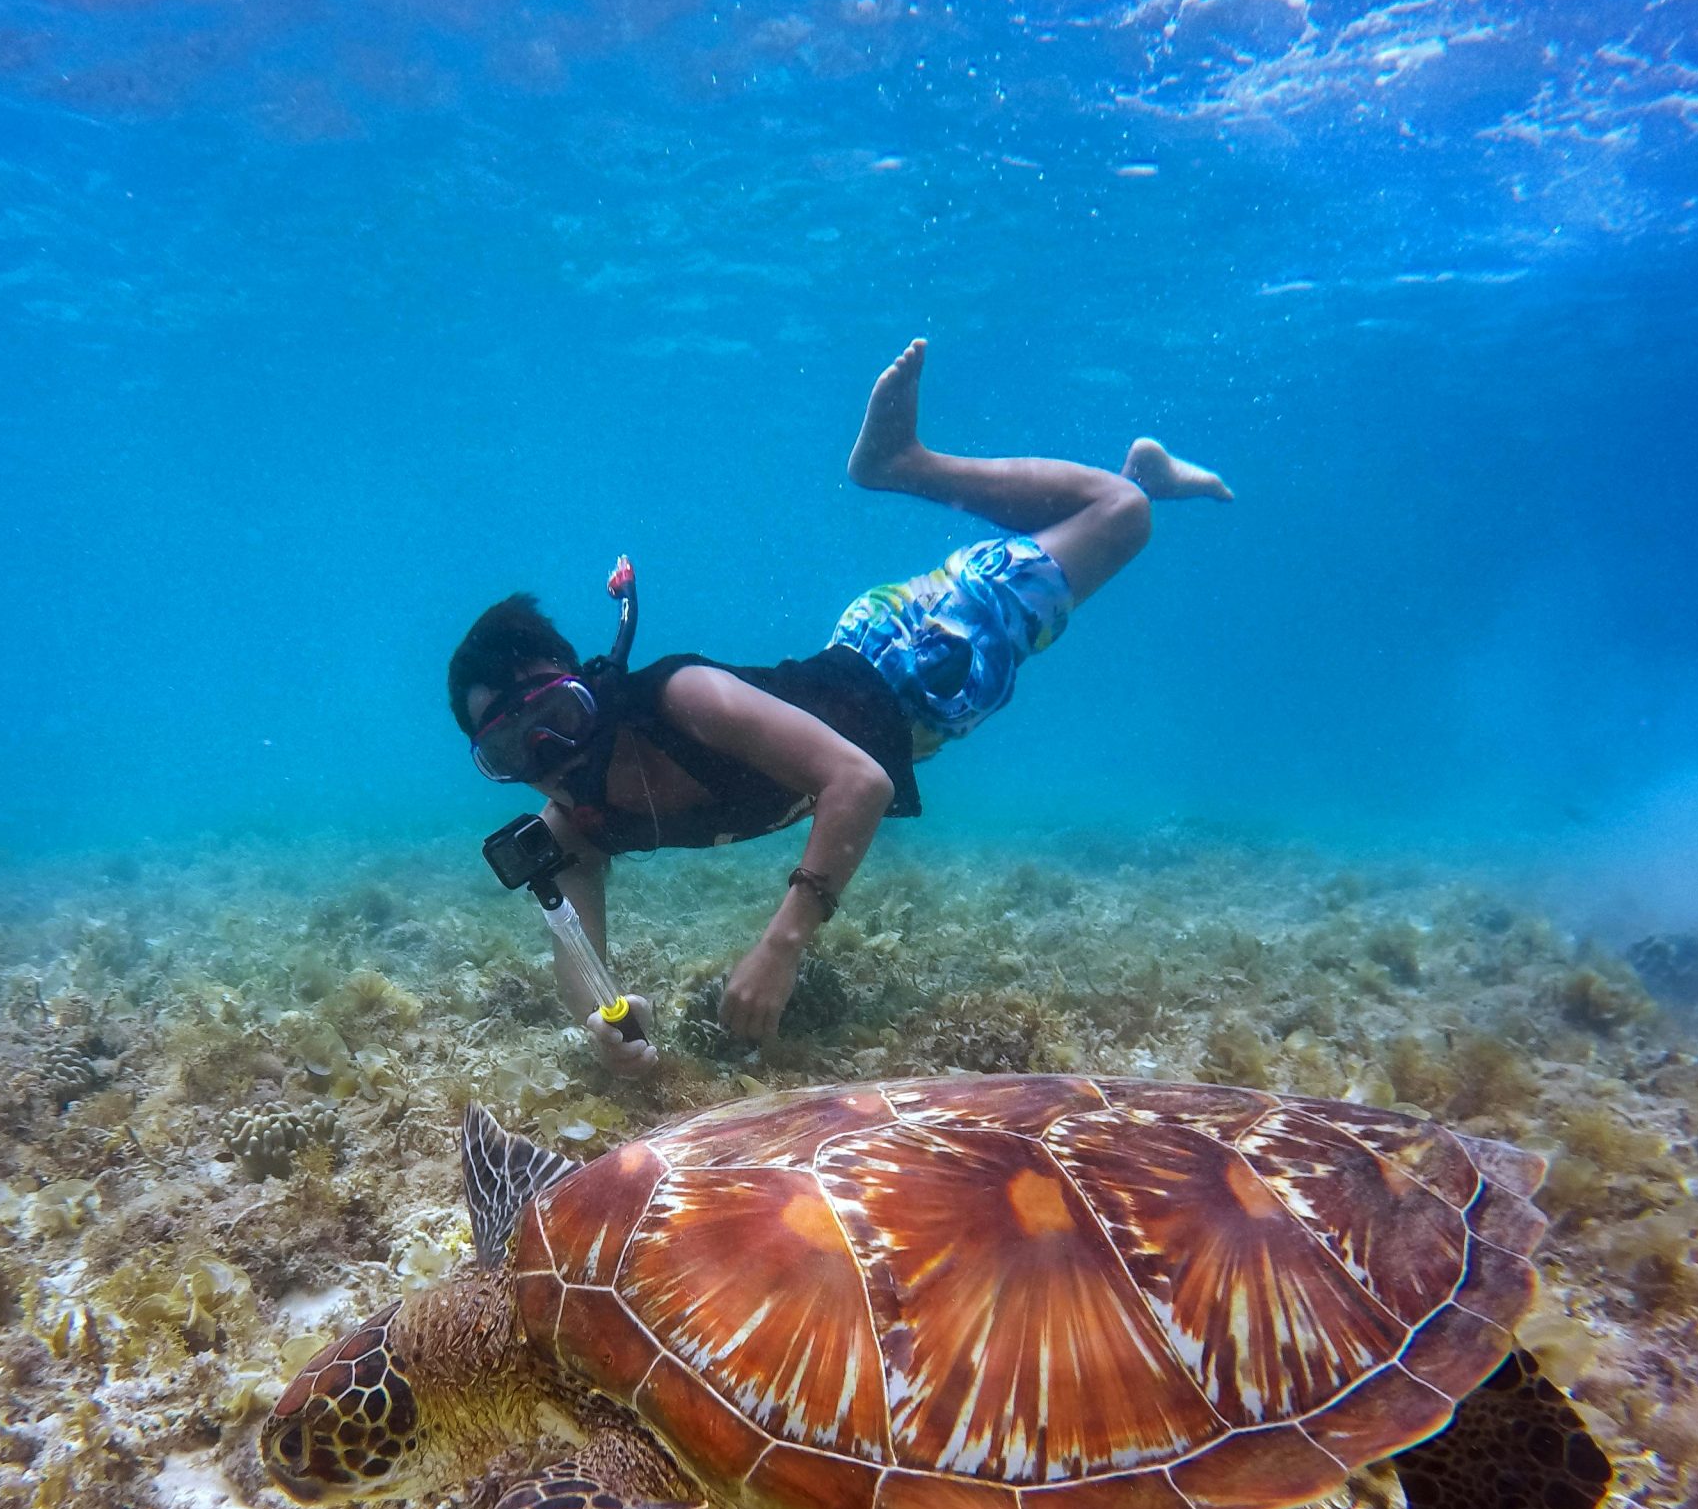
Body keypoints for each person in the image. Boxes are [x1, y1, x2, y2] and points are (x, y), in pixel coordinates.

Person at [449, 337, 1231, 1078]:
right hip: (884, 681)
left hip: (917, 657)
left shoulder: (681, 698)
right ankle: (1140, 473)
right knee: (1096, 526)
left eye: (558, 717)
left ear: (590, 686)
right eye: (513, 750)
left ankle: (903, 463)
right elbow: (578, 958)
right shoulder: (576, 826)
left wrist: (782, 946)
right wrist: (604, 1027)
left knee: (1121, 517)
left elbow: (859, 783)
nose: (552, 756)